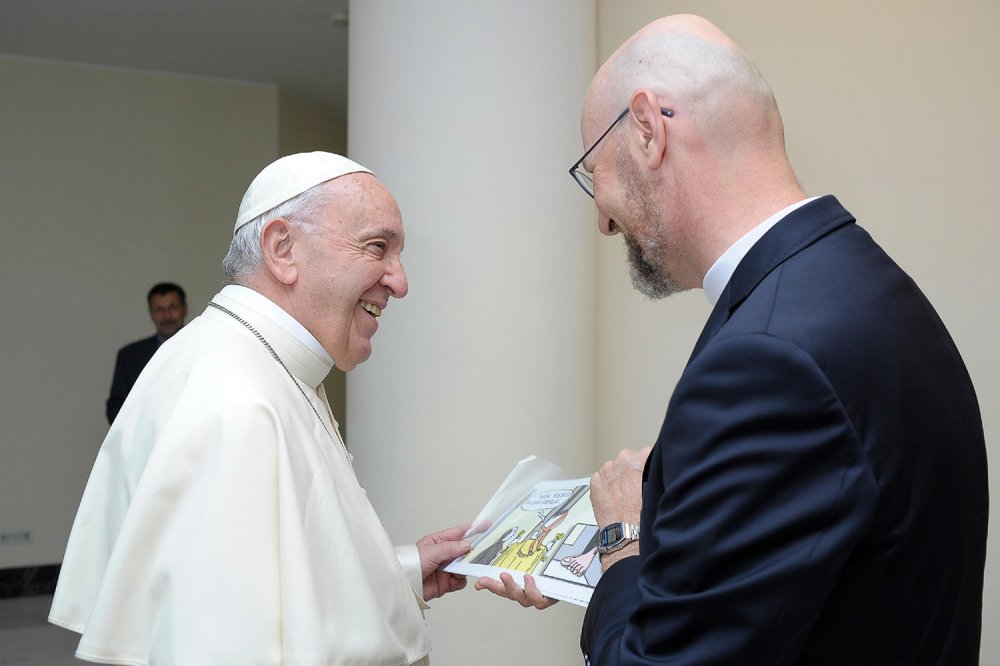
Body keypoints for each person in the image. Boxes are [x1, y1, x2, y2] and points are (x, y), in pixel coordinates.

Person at [478, 14, 989, 665]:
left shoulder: (770, 359)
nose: (603, 220)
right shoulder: (868, 285)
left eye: (594, 173)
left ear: (646, 130)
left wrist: (624, 542)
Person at [50, 152, 471, 665]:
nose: (399, 281)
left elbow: (282, 578)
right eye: (377, 247)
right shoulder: (235, 401)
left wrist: (399, 572)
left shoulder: (241, 358)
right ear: (283, 248)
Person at [105, 282, 188, 423]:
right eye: (159, 310)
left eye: (172, 308)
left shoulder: (206, 348)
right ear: (151, 313)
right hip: (146, 441)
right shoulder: (129, 356)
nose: (167, 316)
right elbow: (116, 408)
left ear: (184, 309)